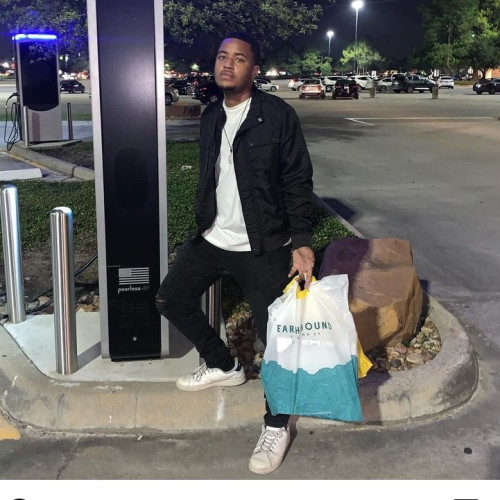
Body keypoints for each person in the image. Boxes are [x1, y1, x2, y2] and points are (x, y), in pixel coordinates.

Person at [155, 31, 315, 475]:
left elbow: (298, 179)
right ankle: (224, 365)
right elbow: (213, 176)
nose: (227, 64)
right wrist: (203, 218)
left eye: (239, 58)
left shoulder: (276, 115)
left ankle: (277, 424)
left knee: (274, 342)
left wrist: (301, 240)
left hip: (263, 247)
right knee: (170, 298)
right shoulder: (210, 115)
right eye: (222, 57)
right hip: (213, 238)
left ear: (254, 69)